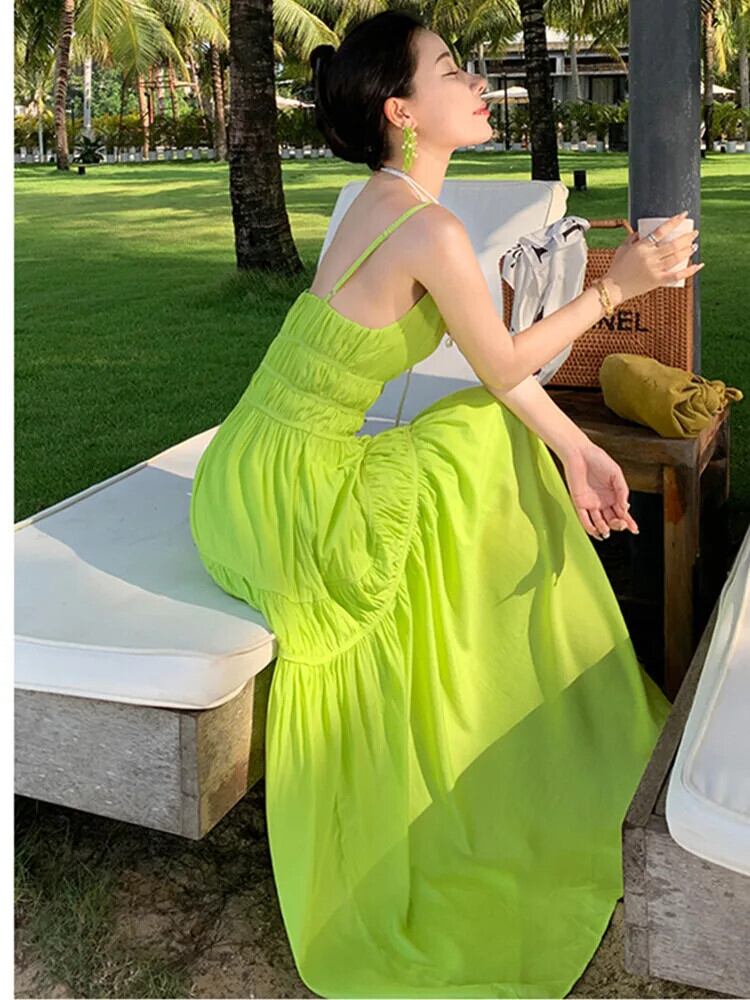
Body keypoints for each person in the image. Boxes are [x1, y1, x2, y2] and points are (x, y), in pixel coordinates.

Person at [189, 10, 703, 998]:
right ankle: (529, 697)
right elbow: (504, 368)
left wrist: (579, 445)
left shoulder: (381, 200)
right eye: (452, 71)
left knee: (483, 431)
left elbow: (498, 367)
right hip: (294, 496)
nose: (475, 84)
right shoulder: (426, 226)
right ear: (402, 111)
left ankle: (532, 675)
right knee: (478, 438)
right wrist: (616, 292)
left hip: (245, 475)